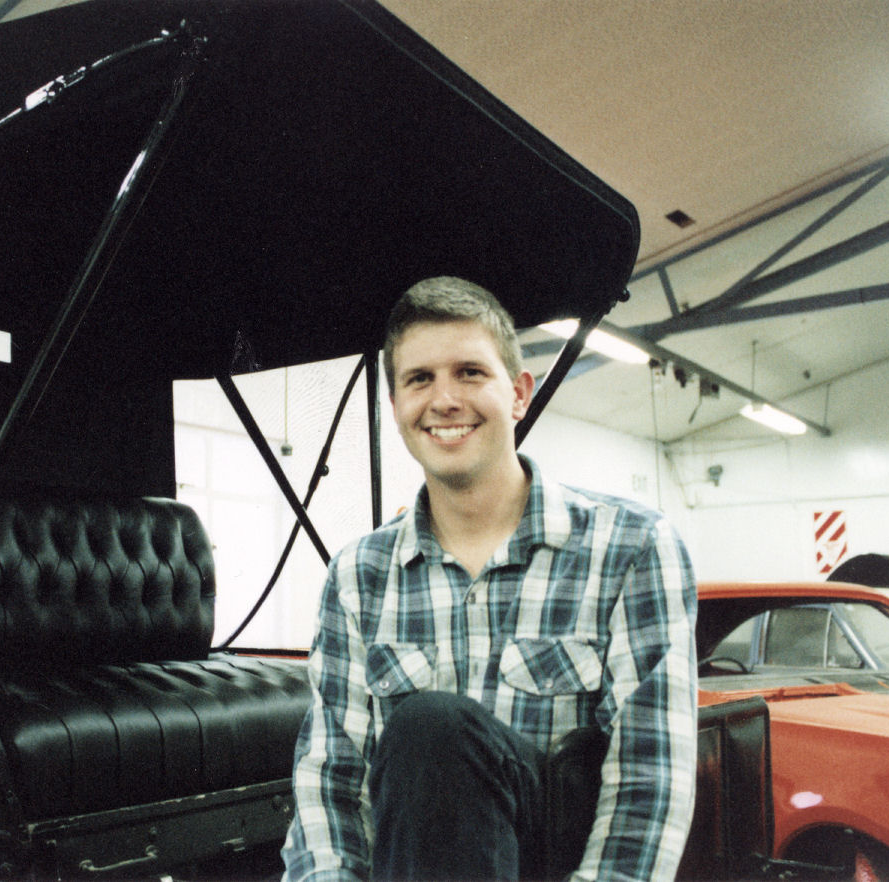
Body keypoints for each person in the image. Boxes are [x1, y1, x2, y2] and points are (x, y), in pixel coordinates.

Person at [281, 277, 698, 881]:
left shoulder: (631, 547)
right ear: (395, 406)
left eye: (470, 373)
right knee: (431, 730)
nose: (444, 400)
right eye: (419, 379)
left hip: (557, 864)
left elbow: (648, 778)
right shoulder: (358, 577)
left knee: (434, 726)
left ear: (520, 393)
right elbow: (330, 783)